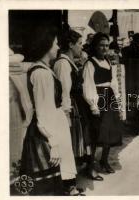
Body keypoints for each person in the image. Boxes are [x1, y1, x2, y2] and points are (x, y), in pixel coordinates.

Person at [20, 26, 83, 195]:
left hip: (54, 123)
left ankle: (65, 189)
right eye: (55, 44)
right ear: (45, 46)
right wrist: (53, 142)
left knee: (58, 173)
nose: (57, 47)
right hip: (47, 128)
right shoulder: (41, 74)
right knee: (46, 180)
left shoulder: (45, 69)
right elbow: (42, 111)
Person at [82, 32, 124, 178]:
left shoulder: (107, 61)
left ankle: (104, 161)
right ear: (95, 46)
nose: (105, 48)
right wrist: (93, 106)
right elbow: (88, 86)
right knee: (96, 134)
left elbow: (114, 83)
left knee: (110, 132)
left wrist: (117, 101)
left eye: (107, 45)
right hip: (98, 99)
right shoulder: (90, 63)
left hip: (109, 97)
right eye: (101, 45)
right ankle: (90, 166)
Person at [54, 29, 85, 160]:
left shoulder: (69, 63)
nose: (81, 47)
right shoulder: (63, 64)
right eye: (79, 43)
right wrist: (66, 115)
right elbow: (64, 91)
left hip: (75, 106)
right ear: (71, 45)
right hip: (69, 107)